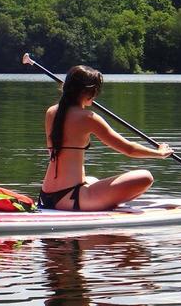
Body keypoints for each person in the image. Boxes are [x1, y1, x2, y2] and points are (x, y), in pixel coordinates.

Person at [39, 65, 173, 211]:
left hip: (46, 195)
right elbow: (129, 149)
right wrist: (159, 153)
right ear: (89, 92)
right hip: (72, 199)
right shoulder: (88, 118)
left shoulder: (51, 112)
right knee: (146, 177)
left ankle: (101, 201)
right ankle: (104, 204)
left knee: (92, 180)